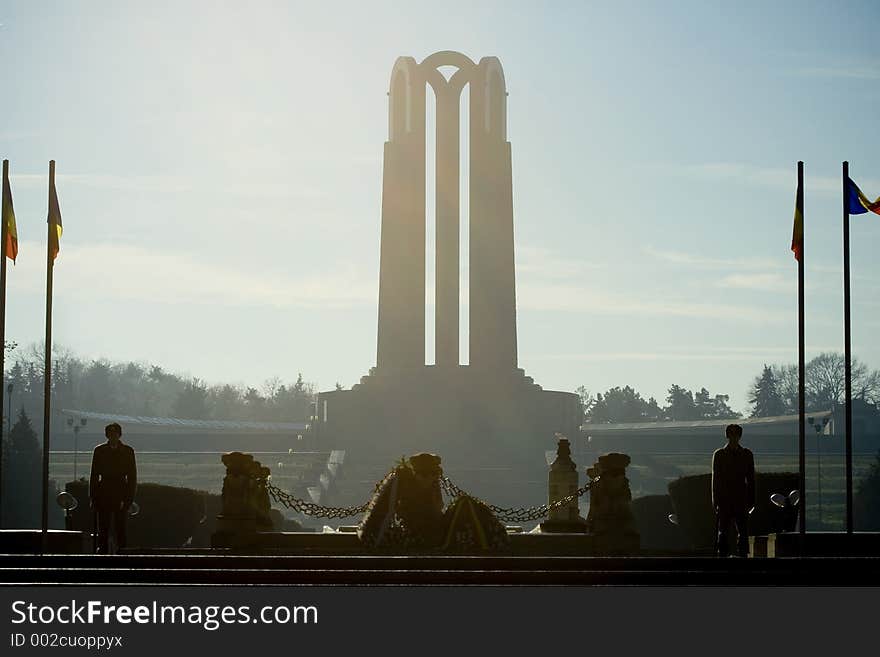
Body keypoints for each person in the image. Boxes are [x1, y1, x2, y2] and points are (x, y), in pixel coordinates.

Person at [89, 422, 137, 554]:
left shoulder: (128, 452)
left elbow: (132, 477)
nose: (113, 437)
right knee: (103, 527)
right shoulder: (99, 451)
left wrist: (128, 499)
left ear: (119, 435)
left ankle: (122, 552)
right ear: (107, 435)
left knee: (120, 527)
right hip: (104, 491)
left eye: (115, 434)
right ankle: (103, 552)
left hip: (120, 492)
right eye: (110, 434)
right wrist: (93, 497)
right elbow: (94, 475)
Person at [712, 423, 755, 557]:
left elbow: (751, 479)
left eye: (735, 434)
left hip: (740, 498)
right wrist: (715, 501)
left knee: (742, 531)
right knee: (723, 531)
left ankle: (742, 554)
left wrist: (751, 500)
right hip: (725, 499)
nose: (733, 437)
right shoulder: (719, 455)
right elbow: (715, 480)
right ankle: (722, 554)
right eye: (731, 434)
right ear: (727, 436)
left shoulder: (747, 454)